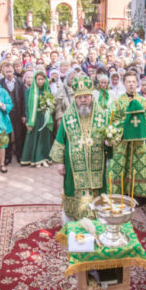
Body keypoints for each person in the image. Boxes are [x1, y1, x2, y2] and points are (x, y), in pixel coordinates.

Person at [50, 75, 108, 222]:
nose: (83, 100)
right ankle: (74, 223)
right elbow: (60, 140)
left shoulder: (103, 116)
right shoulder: (68, 117)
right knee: (74, 194)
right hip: (73, 168)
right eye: (79, 97)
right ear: (75, 98)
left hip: (97, 167)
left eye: (86, 96)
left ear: (92, 97)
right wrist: (60, 163)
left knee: (98, 197)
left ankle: (97, 222)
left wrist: (110, 143)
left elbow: (111, 141)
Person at [108, 71, 146, 201]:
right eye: (128, 82)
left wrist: (141, 128)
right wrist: (126, 125)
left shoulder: (143, 102)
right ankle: (119, 194)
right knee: (119, 167)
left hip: (138, 144)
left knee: (138, 166)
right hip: (122, 144)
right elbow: (111, 120)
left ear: (137, 83)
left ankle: (137, 196)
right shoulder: (117, 102)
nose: (131, 84)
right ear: (124, 83)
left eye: (133, 82)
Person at [21, 71, 54, 167]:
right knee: (35, 137)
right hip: (34, 117)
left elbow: (51, 104)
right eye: (38, 79)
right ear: (35, 80)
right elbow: (27, 107)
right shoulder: (28, 91)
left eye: (42, 79)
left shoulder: (47, 90)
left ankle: (44, 158)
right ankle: (35, 159)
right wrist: (28, 121)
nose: (40, 81)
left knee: (44, 138)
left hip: (45, 117)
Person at [0, 61, 26, 164]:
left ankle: (19, 155)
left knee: (19, 135)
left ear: (13, 70)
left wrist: (24, 114)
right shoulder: (0, 83)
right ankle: (7, 156)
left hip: (17, 112)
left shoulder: (20, 82)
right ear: (3, 72)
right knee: (7, 135)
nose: (9, 73)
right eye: (6, 72)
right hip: (5, 113)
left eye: (10, 71)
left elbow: (24, 99)